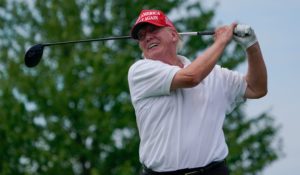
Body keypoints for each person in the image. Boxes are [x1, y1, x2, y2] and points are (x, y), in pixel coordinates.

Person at [128, 9, 267, 175]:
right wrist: (221, 42)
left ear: (173, 35)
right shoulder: (140, 71)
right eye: (141, 36)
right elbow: (191, 78)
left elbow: (257, 88)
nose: (147, 37)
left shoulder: (215, 74)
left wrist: (251, 45)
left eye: (154, 30)